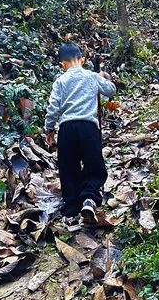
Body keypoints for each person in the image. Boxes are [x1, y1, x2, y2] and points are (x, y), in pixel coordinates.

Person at [45, 42, 116, 224]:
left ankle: (71, 210)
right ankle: (89, 198)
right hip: (88, 127)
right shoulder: (91, 76)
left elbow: (53, 108)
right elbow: (111, 90)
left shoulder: (60, 81)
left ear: (62, 64)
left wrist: (49, 130)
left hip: (67, 129)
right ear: (82, 60)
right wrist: (101, 77)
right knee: (94, 165)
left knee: (68, 168)